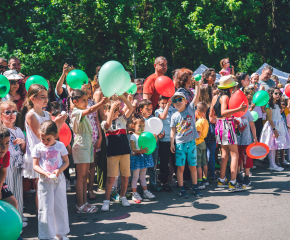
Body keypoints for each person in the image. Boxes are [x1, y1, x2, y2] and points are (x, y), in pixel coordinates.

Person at [21, 84, 66, 212]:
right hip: (38, 155)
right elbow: (41, 135)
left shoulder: (46, 114)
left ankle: (51, 213)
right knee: (41, 187)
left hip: (49, 154)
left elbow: (53, 135)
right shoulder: (31, 115)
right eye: (42, 97)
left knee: (50, 185)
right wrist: (55, 122)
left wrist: (60, 122)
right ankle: (41, 214)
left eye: (46, 97)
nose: (46, 100)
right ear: (32, 99)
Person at [69, 89, 105, 213]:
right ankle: (80, 205)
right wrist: (101, 103)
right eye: (83, 100)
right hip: (81, 144)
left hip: (87, 144)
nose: (86, 102)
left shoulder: (80, 111)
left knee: (85, 177)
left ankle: (84, 202)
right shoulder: (76, 112)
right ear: (75, 101)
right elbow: (90, 110)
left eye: (86, 100)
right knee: (81, 177)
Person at [32, 121, 70, 240]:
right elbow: (35, 165)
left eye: (48, 139)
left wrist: (58, 171)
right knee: (45, 207)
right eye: (43, 139)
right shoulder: (38, 147)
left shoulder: (60, 146)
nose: (45, 142)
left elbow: (66, 162)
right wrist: (44, 173)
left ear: (56, 136)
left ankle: (60, 233)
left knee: (61, 205)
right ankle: (46, 235)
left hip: (59, 180)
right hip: (44, 181)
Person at [210, 75, 247, 191]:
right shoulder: (225, 96)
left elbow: (212, 115)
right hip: (226, 125)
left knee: (224, 154)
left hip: (219, 126)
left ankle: (221, 180)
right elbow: (224, 111)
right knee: (234, 154)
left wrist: (224, 118)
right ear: (230, 88)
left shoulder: (215, 96)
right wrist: (238, 110)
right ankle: (233, 182)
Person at [170, 69, 201, 198]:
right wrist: (172, 143)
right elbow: (173, 130)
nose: (177, 102)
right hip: (180, 145)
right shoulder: (174, 115)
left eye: (180, 99)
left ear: (186, 101)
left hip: (191, 143)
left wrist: (198, 84)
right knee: (181, 168)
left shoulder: (190, 109)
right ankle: (181, 188)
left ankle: (195, 187)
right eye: (175, 100)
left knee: (193, 167)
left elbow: (197, 97)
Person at [101, 95, 134, 211]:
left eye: (116, 110)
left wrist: (122, 97)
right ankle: (106, 200)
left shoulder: (122, 119)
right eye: (111, 110)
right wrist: (112, 111)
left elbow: (131, 108)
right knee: (111, 178)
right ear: (105, 112)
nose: (115, 112)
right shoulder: (104, 123)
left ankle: (123, 196)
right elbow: (108, 125)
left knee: (125, 177)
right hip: (112, 154)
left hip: (124, 152)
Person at [1, 101, 27, 226]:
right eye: (7, 112)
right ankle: (10, 220)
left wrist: (22, 142)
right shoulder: (2, 131)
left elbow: (24, 149)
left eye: (14, 112)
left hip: (17, 162)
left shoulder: (18, 130)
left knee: (18, 190)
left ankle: (19, 216)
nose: (11, 115)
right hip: (7, 163)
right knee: (10, 189)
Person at [81, 82, 102, 200]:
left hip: (94, 136)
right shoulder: (77, 104)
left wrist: (100, 136)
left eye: (89, 88)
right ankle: (82, 191)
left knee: (92, 165)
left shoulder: (92, 102)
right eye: (85, 88)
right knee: (84, 166)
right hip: (84, 137)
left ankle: (90, 189)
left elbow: (97, 120)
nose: (88, 90)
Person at [260, 87, 290, 171]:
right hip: (272, 126)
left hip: (279, 125)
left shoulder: (277, 104)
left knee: (275, 146)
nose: (278, 95)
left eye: (279, 94)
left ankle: (273, 164)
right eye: (276, 93)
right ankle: (272, 165)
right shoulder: (269, 105)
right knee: (271, 146)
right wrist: (274, 129)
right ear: (271, 94)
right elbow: (270, 118)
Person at [139, 99, 163, 192]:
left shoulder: (154, 119)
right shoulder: (139, 120)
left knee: (153, 167)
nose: (149, 110)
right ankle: (142, 186)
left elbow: (157, 133)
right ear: (141, 110)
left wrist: (158, 136)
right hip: (143, 148)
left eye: (151, 108)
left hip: (154, 147)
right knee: (143, 168)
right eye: (147, 109)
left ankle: (153, 184)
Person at [130, 116, 156, 203]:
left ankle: (145, 191)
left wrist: (155, 138)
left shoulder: (145, 135)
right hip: (137, 158)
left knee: (143, 176)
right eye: (139, 126)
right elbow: (133, 149)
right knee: (135, 177)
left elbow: (150, 143)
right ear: (134, 126)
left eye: (143, 126)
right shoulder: (133, 136)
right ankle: (134, 193)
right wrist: (140, 151)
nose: (142, 128)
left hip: (144, 157)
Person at [155, 95, 176, 191]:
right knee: (164, 162)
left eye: (165, 102)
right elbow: (163, 117)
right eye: (162, 103)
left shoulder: (173, 109)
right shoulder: (157, 111)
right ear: (159, 103)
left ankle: (171, 179)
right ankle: (165, 182)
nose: (164, 105)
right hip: (164, 141)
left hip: (173, 139)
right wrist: (167, 106)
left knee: (174, 162)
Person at [0, 125, 19, 226]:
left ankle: (14, 230)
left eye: (7, 143)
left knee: (12, 201)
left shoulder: (6, 154)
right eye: (0, 144)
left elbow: (3, 171)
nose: (4, 148)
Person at [234, 106, 258, 187]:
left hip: (246, 139)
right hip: (235, 140)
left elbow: (252, 125)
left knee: (246, 158)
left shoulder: (247, 111)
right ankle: (238, 176)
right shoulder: (233, 111)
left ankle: (247, 177)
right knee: (237, 158)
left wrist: (255, 137)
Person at [195, 102, 209, 189]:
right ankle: (205, 178)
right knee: (204, 162)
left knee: (198, 164)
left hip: (198, 143)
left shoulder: (199, 122)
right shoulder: (205, 121)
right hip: (203, 142)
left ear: (197, 111)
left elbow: (198, 134)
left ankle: (200, 181)